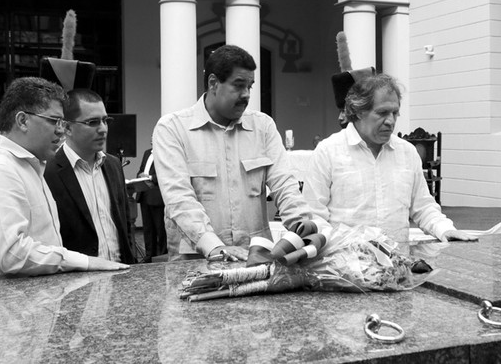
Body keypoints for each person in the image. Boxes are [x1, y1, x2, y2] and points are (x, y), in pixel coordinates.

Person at [153, 44, 311, 261]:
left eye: (250, 86)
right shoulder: (173, 129)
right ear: (213, 83)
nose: (246, 95)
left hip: (254, 256)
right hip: (195, 259)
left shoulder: (262, 126)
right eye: (238, 86)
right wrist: (215, 247)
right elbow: (179, 199)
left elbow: (285, 184)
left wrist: (302, 224)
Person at [0, 77, 129, 277]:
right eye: (53, 120)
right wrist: (85, 261)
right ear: (23, 121)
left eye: (62, 121)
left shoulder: (31, 166)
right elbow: (12, 255)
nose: (60, 129)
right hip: (3, 303)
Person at [303, 74, 476, 246]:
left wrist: (445, 229)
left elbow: (423, 207)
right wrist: (341, 249)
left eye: (395, 113)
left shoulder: (407, 152)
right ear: (358, 112)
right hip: (346, 264)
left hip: (397, 263)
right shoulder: (328, 152)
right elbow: (313, 216)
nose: (391, 121)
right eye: (382, 113)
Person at [44, 89, 136, 264]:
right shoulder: (48, 171)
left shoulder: (113, 165)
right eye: (93, 122)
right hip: (77, 280)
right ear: (67, 127)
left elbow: (124, 224)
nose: (103, 129)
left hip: (120, 274)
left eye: (105, 120)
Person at [136, 143, 167, 262]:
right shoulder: (147, 152)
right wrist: (140, 175)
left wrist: (150, 177)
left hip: (157, 195)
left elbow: (166, 172)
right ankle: (149, 255)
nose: (152, 141)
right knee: (148, 228)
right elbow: (141, 169)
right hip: (144, 194)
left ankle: (162, 256)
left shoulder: (165, 152)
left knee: (160, 229)